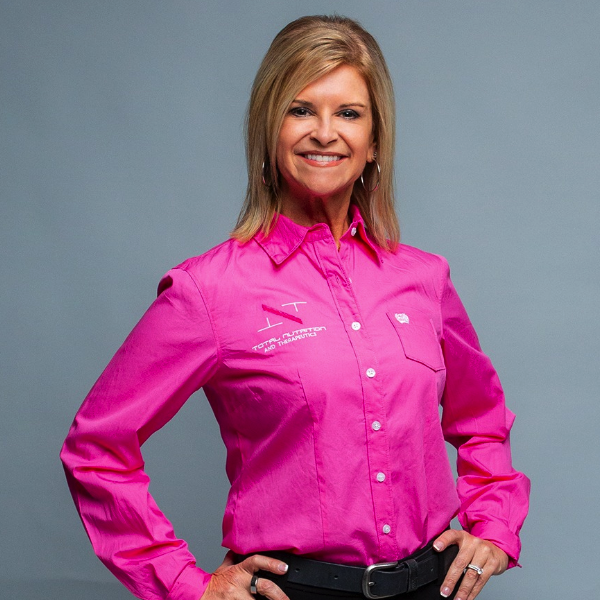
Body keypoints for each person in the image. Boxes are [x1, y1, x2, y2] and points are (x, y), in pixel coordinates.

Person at [60, 14, 530, 600]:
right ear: (269, 129)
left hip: (429, 587)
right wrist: (184, 583)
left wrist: (495, 526)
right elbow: (96, 448)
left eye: (349, 113)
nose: (325, 133)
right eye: (301, 109)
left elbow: (481, 418)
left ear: (375, 141)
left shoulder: (424, 278)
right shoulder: (209, 290)